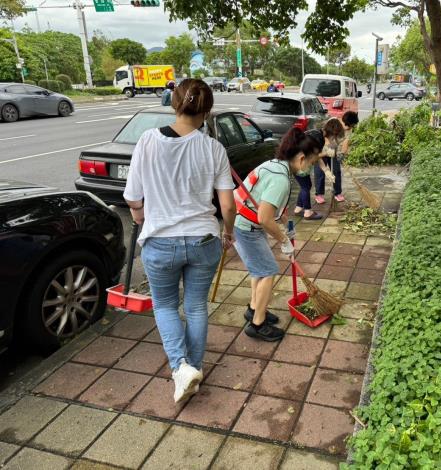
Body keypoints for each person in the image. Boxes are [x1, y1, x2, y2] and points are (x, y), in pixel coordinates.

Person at [124, 78, 236, 404]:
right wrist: (227, 232)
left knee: (165, 306)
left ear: (174, 104)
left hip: (160, 242)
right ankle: (193, 369)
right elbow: (228, 206)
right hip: (204, 239)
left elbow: (133, 197)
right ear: (208, 110)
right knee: (196, 307)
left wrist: (139, 215)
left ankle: (180, 367)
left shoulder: (147, 141)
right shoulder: (214, 148)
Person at [234, 128, 324, 341]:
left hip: (243, 224)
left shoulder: (274, 165)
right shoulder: (281, 179)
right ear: (301, 158)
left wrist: (285, 222)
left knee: (259, 270)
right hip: (247, 228)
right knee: (267, 271)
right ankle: (257, 324)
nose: (310, 168)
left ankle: (254, 308)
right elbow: (264, 218)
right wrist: (284, 240)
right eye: (311, 163)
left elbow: (269, 205)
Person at [314, 118, 346, 204]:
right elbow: (316, 154)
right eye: (332, 134)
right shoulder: (322, 131)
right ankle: (319, 194)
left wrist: (339, 153)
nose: (334, 135)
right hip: (321, 152)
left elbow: (341, 143)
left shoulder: (340, 131)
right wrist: (326, 148)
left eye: (335, 134)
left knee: (336, 171)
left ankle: (337, 192)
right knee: (320, 172)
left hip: (332, 151)